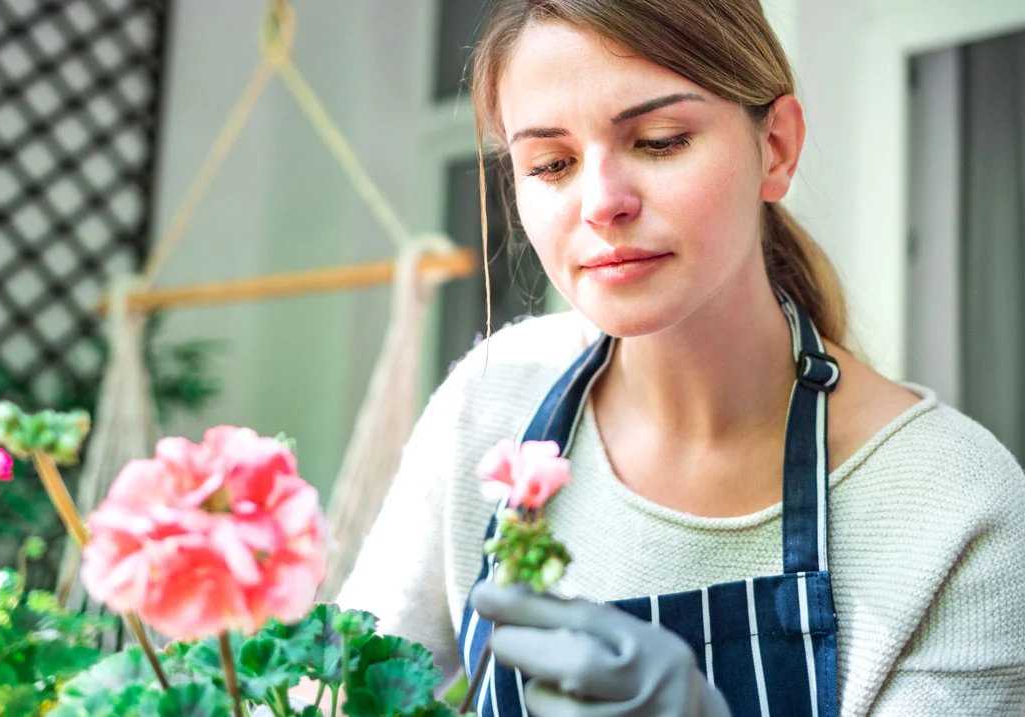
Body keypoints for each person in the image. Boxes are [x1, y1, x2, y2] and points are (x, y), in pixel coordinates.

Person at [337, 1, 1025, 715]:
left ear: (778, 147)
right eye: (552, 163)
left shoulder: (955, 506)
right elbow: (333, 692)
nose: (602, 203)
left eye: (660, 140)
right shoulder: (491, 402)